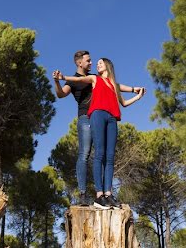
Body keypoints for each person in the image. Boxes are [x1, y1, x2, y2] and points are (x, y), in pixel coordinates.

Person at [55, 57, 144, 209]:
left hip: (112, 118)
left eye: (100, 63)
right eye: (96, 64)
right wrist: (62, 78)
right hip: (97, 115)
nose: (97, 65)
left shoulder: (113, 85)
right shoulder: (94, 79)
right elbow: (79, 80)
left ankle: (108, 194)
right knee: (99, 154)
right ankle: (99, 195)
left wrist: (138, 95)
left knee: (110, 157)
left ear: (108, 66)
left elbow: (124, 102)